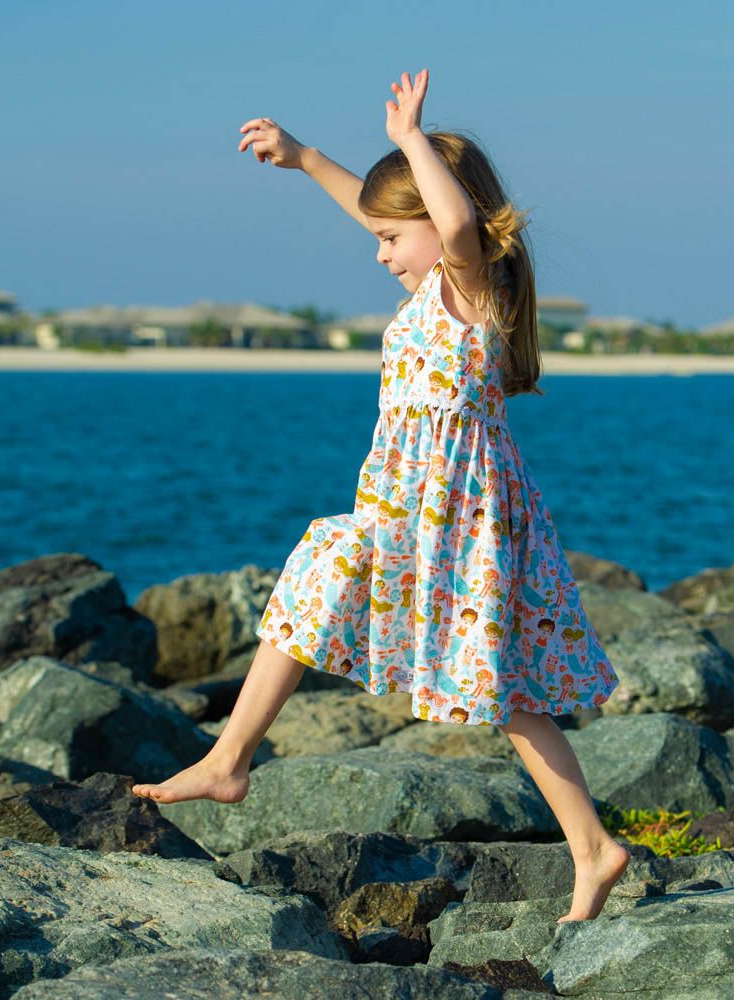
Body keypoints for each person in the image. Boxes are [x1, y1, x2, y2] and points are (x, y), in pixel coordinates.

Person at [133, 68, 629, 923]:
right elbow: (385, 212)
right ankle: (229, 760)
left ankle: (592, 848)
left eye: (393, 236)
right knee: (317, 584)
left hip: (459, 520)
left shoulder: (472, 285)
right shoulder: (433, 284)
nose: (379, 250)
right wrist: (304, 158)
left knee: (504, 689)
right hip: (409, 510)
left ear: (437, 227)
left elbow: (458, 222)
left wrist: (410, 140)